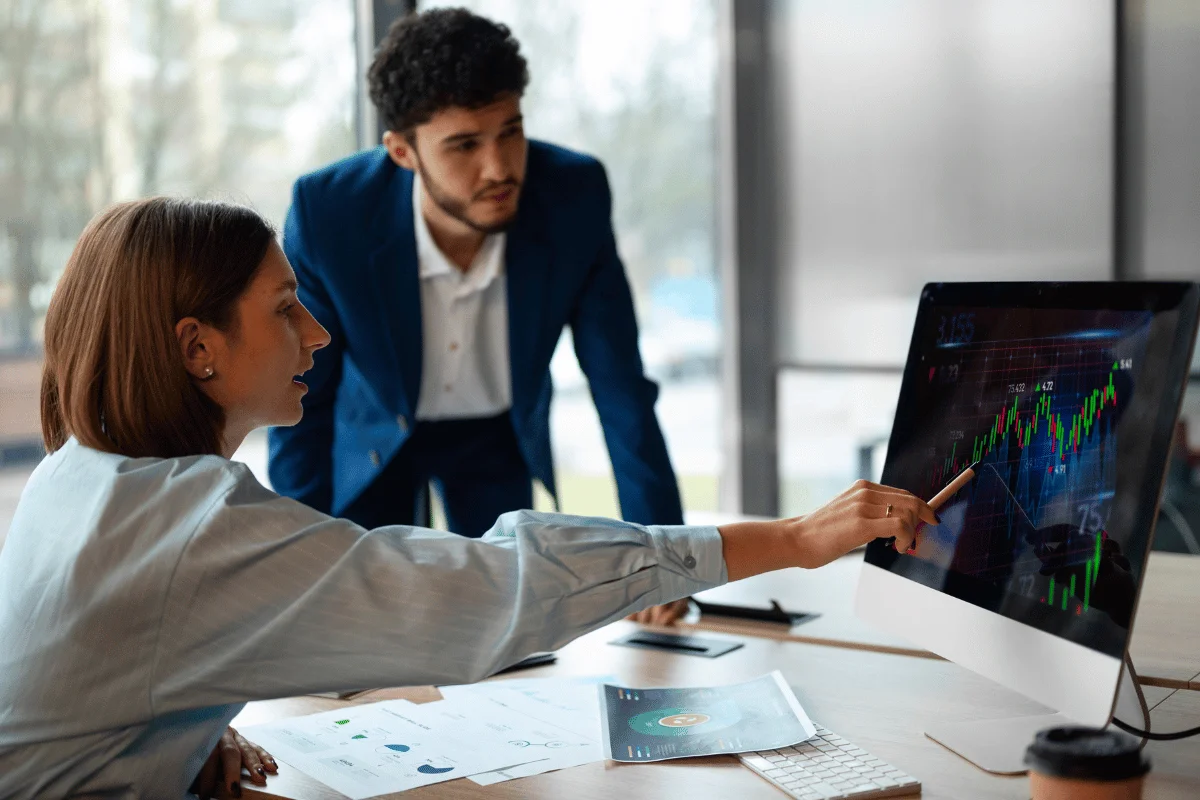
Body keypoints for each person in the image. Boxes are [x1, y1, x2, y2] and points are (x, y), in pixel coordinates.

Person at [0, 198, 934, 798]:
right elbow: (487, 590)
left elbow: (113, 671)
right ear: (198, 347)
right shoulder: (186, 526)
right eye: (285, 306)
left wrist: (181, 738)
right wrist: (792, 537)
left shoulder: (80, 479)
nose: (317, 334)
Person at [266, 8, 695, 624]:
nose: (499, 168)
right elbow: (302, 398)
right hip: (377, 439)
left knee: (506, 628)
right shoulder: (331, 212)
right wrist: (291, 567)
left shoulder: (573, 195)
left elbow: (621, 388)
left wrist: (665, 558)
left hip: (495, 435)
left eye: (510, 131)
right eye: (465, 144)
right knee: (363, 626)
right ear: (401, 150)